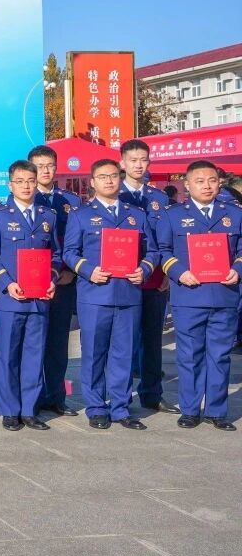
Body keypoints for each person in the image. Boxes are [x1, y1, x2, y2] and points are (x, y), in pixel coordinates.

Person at [62, 158, 156, 430]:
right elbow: (69, 253)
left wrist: (144, 270)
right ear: (92, 182)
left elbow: (152, 251)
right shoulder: (80, 215)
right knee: (94, 353)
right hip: (95, 294)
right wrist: (88, 270)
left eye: (114, 176)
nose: (109, 181)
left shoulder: (136, 215)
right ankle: (95, 407)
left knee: (123, 353)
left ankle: (121, 408)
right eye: (102, 176)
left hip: (128, 294)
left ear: (120, 178)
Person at [155, 159, 240, 430]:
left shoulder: (234, 213)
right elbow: (163, 250)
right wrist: (179, 272)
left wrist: (238, 269)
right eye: (200, 181)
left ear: (219, 183)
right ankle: (190, 409)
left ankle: (216, 411)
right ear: (187, 185)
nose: (207, 186)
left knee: (220, 355)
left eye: (212, 180)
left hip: (224, 294)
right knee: (190, 355)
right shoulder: (172, 215)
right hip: (189, 296)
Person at [0, 160, 58, 431]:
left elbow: (56, 255)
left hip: (40, 299)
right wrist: (7, 284)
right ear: (10, 185)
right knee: (8, 355)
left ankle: (29, 410)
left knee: (34, 355)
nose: (26, 186)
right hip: (11, 298)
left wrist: (52, 279)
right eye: (20, 181)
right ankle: (9, 410)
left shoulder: (48, 216)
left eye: (30, 180)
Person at [118, 139, 178, 413]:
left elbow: (167, 240)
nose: (138, 165)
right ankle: (120, 398)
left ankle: (152, 394)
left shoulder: (159, 199)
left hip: (154, 279)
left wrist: (167, 271)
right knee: (123, 342)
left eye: (143, 159)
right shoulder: (113, 194)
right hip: (121, 279)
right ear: (122, 163)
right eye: (133, 160)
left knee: (152, 340)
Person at [29, 144, 82, 416]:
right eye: (39, 166)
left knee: (59, 342)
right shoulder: (24, 198)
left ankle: (56, 396)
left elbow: (80, 241)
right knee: (33, 342)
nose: (45, 171)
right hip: (32, 282)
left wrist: (71, 271)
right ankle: (33, 398)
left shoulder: (71, 201)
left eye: (50, 165)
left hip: (64, 280)